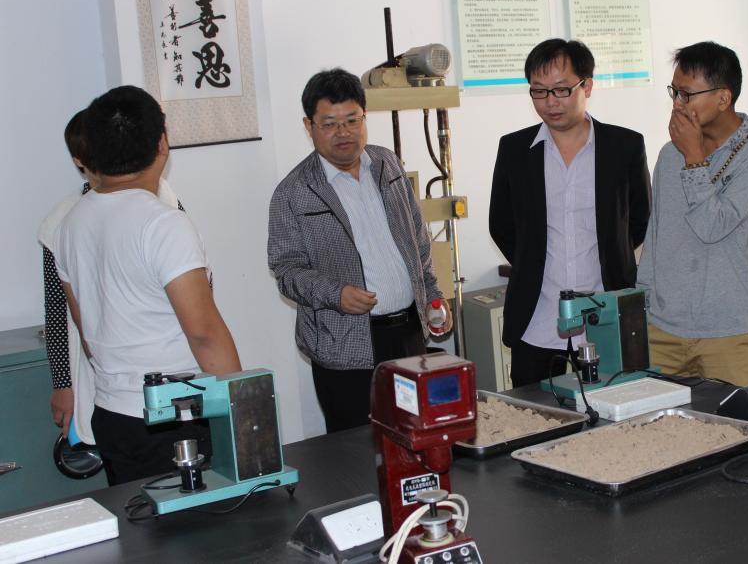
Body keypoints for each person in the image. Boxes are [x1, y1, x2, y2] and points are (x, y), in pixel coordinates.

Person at [53, 86, 240, 485]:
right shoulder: (164, 223)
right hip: (172, 417)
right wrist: (241, 412)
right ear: (162, 143)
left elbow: (87, 334)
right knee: (199, 524)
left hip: (111, 414)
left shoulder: (71, 223)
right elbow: (204, 334)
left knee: (138, 521)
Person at [268, 68, 450, 432]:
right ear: (309, 126)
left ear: (365, 117)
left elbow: (417, 238)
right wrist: (335, 294)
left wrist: (432, 294)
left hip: (408, 335)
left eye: (353, 120)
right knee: (356, 449)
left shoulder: (388, 165)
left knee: (418, 436)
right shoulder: (294, 192)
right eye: (330, 124)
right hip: (346, 347)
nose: (344, 132)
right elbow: (286, 270)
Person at [489, 39, 651, 387]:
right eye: (539, 91)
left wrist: (612, 255)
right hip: (537, 316)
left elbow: (639, 218)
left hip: (605, 312)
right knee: (533, 412)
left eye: (561, 90)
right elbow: (501, 224)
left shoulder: (624, 146)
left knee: (612, 407)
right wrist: (533, 262)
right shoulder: (515, 149)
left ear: (587, 86)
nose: (550, 102)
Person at [636, 42, 748, 386]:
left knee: (732, 420)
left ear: (723, 98)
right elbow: (657, 237)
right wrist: (644, 307)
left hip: (729, 329)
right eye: (674, 92)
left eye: (686, 94)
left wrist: (694, 159)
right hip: (663, 329)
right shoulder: (670, 155)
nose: (677, 104)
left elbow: (712, 226)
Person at [39, 110, 186, 445]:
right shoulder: (60, 221)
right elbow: (57, 308)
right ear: (79, 160)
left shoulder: (165, 202)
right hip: (105, 370)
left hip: (169, 362)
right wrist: (63, 384)